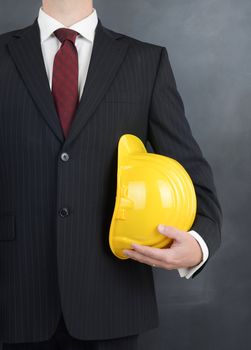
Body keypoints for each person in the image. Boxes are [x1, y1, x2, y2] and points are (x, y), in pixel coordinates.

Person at [0, 0, 222, 349]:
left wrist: (198, 245)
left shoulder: (146, 62)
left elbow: (192, 177)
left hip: (112, 298)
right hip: (13, 296)